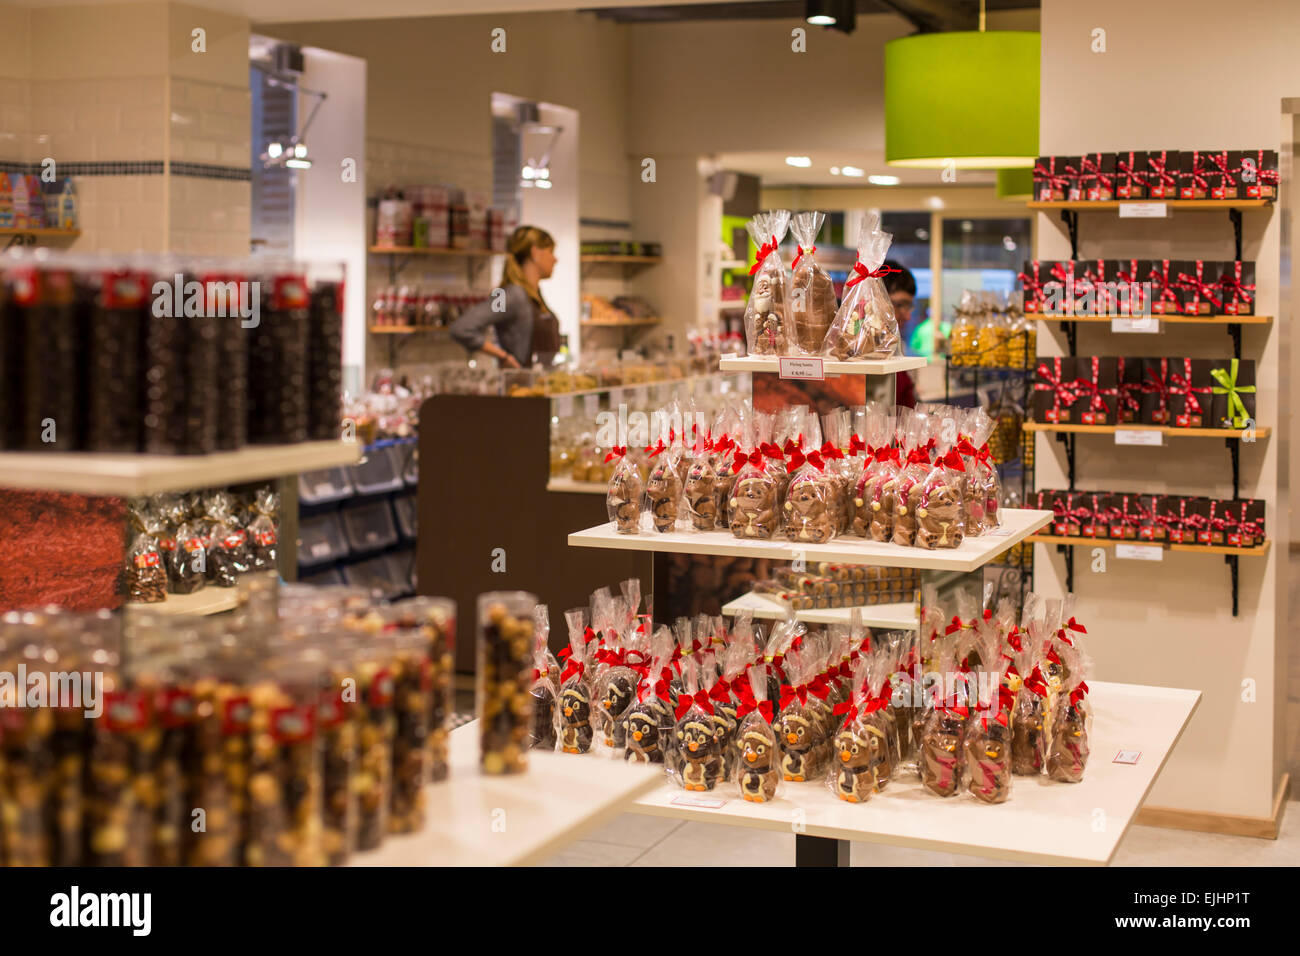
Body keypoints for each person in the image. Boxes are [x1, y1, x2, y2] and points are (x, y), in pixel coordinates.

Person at [450, 225, 562, 368]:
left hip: (541, 385)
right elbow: (461, 328)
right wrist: (503, 356)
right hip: (520, 386)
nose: (555, 259)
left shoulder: (535, 294)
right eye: (551, 252)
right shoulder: (507, 294)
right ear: (535, 252)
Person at [883, 259, 918, 408]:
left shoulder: (896, 347)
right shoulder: (856, 352)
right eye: (901, 304)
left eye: (909, 306)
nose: (908, 316)